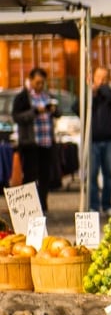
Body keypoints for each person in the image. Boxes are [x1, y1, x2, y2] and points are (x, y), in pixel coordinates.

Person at [11, 67, 57, 211]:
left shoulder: (47, 96)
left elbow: (57, 114)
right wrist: (36, 111)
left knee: (44, 176)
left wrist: (53, 110)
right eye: (37, 82)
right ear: (30, 81)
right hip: (31, 143)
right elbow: (17, 117)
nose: (40, 86)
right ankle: (28, 207)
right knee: (30, 176)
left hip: (46, 142)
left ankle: (42, 205)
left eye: (42, 83)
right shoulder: (23, 97)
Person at [88, 66, 111, 213]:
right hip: (92, 141)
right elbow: (76, 107)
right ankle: (93, 205)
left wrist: (101, 88)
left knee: (108, 174)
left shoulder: (109, 95)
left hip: (109, 140)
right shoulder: (91, 95)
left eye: (105, 78)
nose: (102, 81)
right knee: (92, 174)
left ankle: (107, 204)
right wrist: (91, 93)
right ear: (94, 78)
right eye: (99, 78)